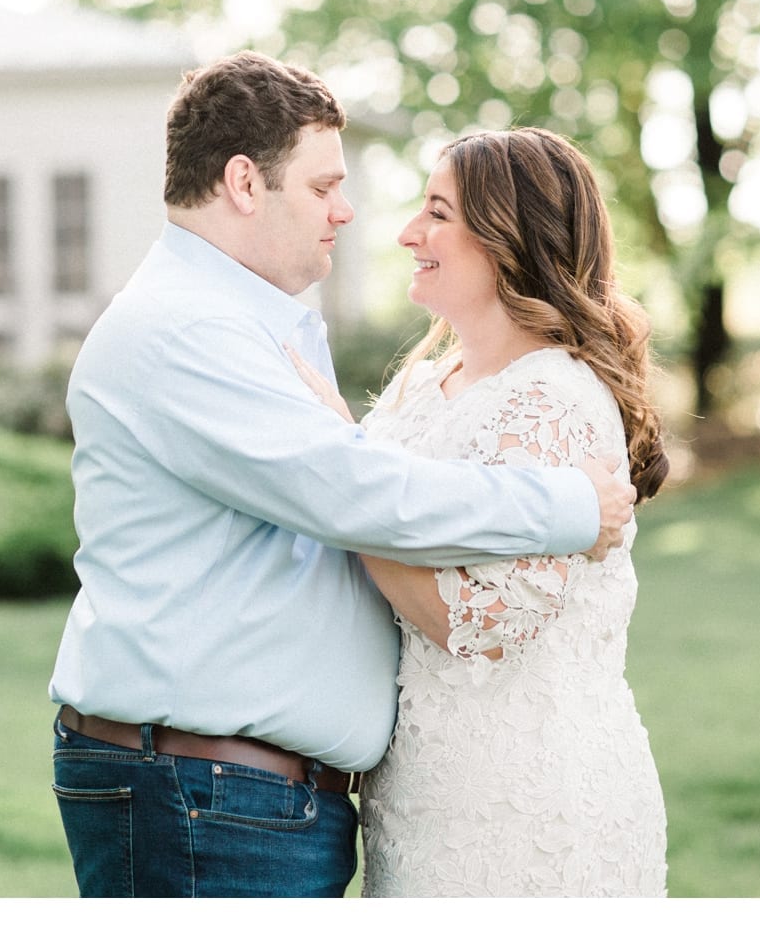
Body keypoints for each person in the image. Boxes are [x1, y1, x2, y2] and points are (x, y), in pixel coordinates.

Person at [46, 52, 638, 898]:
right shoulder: (190, 332)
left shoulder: (249, 321)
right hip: (206, 800)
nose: (349, 212)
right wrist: (572, 505)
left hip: (237, 798)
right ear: (246, 183)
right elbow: (359, 495)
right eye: (324, 187)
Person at [290, 126, 670, 896]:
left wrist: (341, 491)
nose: (406, 232)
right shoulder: (426, 385)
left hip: (528, 808)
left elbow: (478, 621)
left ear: (508, 240)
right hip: (425, 798)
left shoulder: (553, 402)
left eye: (437, 212)